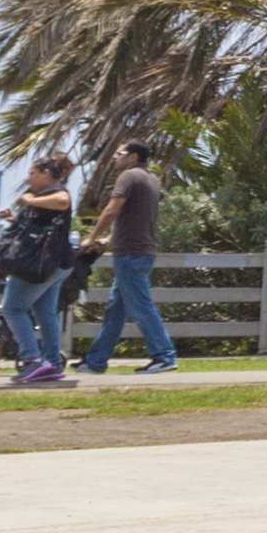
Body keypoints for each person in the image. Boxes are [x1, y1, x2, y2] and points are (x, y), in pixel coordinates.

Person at [81, 140, 176, 376]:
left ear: (132, 157)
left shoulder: (128, 176)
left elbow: (112, 210)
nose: (115, 156)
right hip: (138, 252)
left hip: (131, 255)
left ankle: (164, 357)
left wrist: (92, 237)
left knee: (142, 307)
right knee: (115, 311)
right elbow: (136, 218)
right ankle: (95, 361)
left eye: (119, 152)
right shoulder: (150, 179)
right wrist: (109, 240)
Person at [0, 151, 79, 388]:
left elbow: (63, 201)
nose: (28, 179)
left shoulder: (55, 192)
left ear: (46, 173)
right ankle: (52, 364)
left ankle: (32, 360)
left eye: (32, 173)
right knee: (45, 312)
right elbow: (38, 227)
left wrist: (29, 200)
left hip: (41, 265)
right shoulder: (44, 195)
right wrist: (13, 219)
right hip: (58, 264)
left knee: (12, 309)